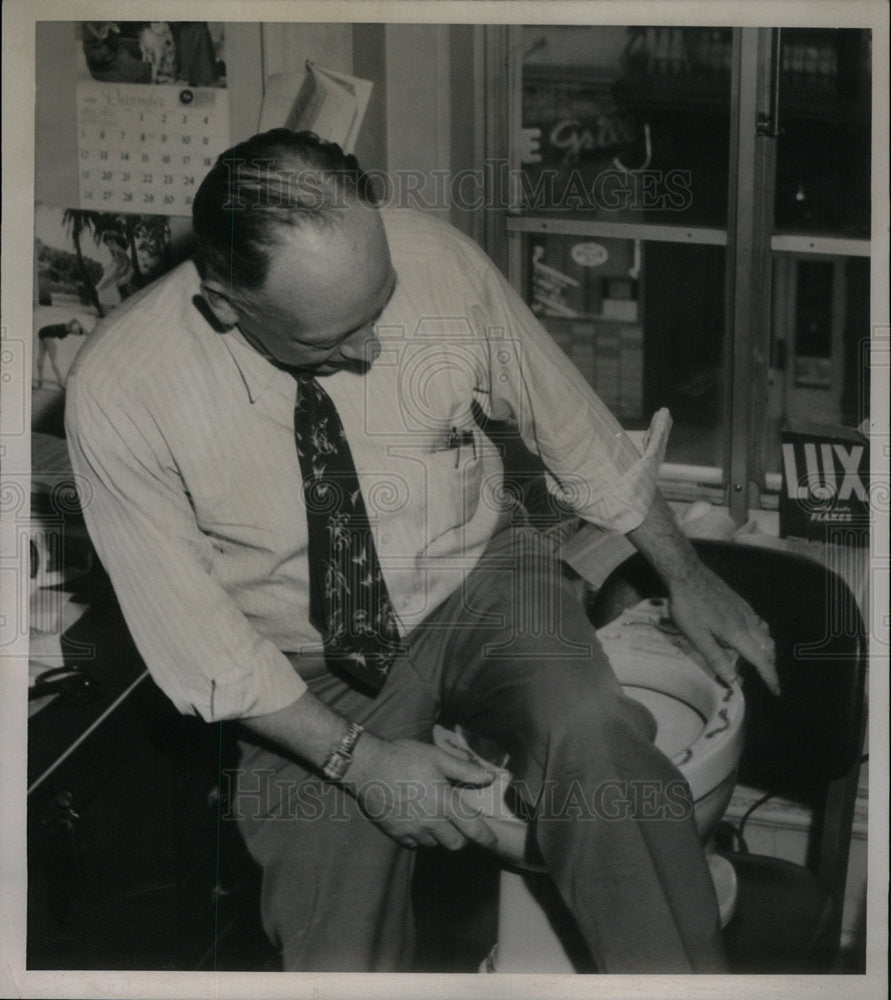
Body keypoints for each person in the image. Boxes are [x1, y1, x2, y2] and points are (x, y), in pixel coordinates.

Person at [65, 130, 778, 974]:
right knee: (335, 946)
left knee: (595, 742)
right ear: (226, 300)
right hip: (300, 657)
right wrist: (359, 763)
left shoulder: (436, 258)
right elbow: (201, 648)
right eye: (333, 338)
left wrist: (685, 573)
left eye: (381, 305)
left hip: (477, 577)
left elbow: (574, 429)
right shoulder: (121, 393)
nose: (370, 351)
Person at [36, 318, 85, 388]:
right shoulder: (69, 326)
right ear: (76, 327)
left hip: (42, 334)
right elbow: (75, 319)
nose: (75, 332)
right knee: (53, 360)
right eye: (76, 330)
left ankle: (40, 379)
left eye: (76, 333)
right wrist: (86, 331)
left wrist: (82, 331)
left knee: (41, 356)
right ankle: (60, 381)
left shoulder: (69, 331)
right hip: (46, 334)